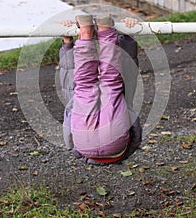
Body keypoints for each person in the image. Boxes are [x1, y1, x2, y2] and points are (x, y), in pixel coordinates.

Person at [59, 14, 142, 165]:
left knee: (111, 83)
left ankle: (105, 31)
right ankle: (85, 34)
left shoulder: (120, 89)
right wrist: (67, 43)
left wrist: (128, 39)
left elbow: (136, 136)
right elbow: (68, 72)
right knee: (84, 86)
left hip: (115, 143)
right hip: (84, 143)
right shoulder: (78, 93)